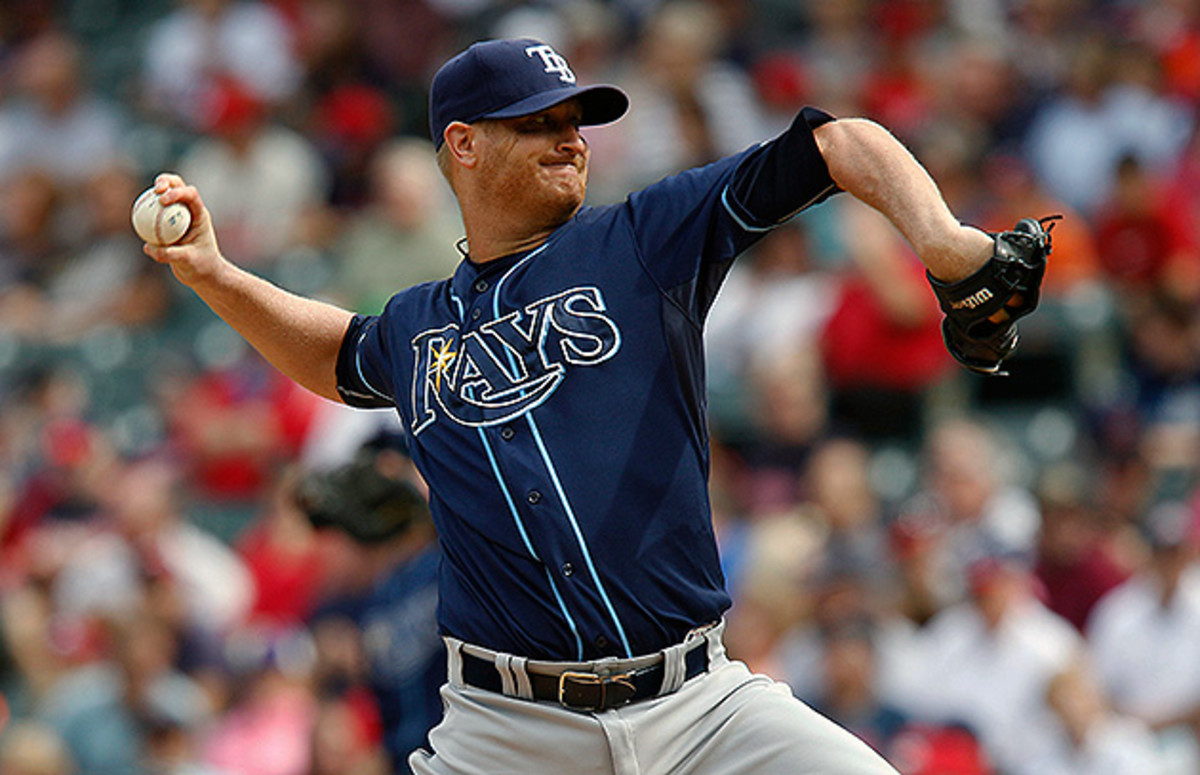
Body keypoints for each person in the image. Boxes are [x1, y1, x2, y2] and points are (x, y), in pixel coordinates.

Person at [142, 37, 1029, 775]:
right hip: (506, 731)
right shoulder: (418, 329)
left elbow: (840, 145)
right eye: (541, 123)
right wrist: (215, 275)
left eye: (577, 122)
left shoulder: (642, 240)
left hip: (700, 707)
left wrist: (950, 248)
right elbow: (333, 353)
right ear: (463, 145)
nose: (572, 139)